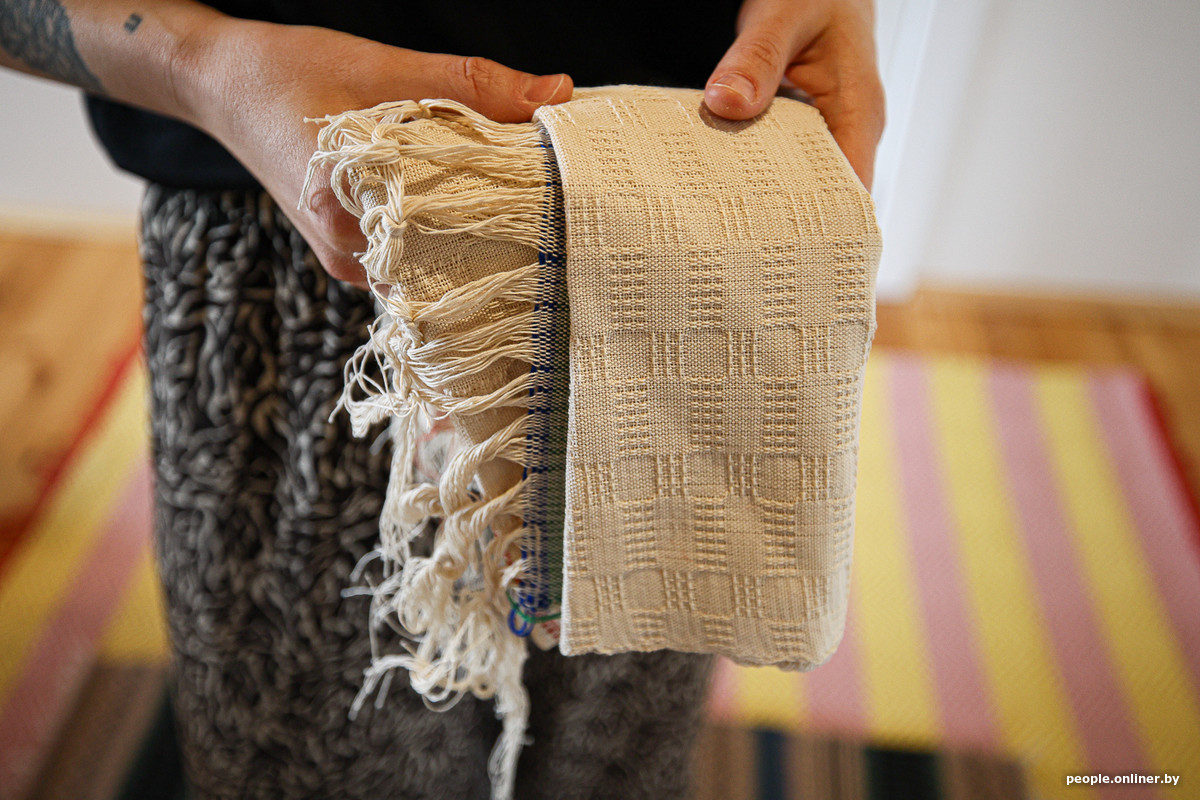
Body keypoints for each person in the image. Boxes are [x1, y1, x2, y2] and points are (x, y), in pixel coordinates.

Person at [0, 1, 884, 798]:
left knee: (618, 752)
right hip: (307, 235)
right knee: (314, 756)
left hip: (689, 244)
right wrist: (203, 65)